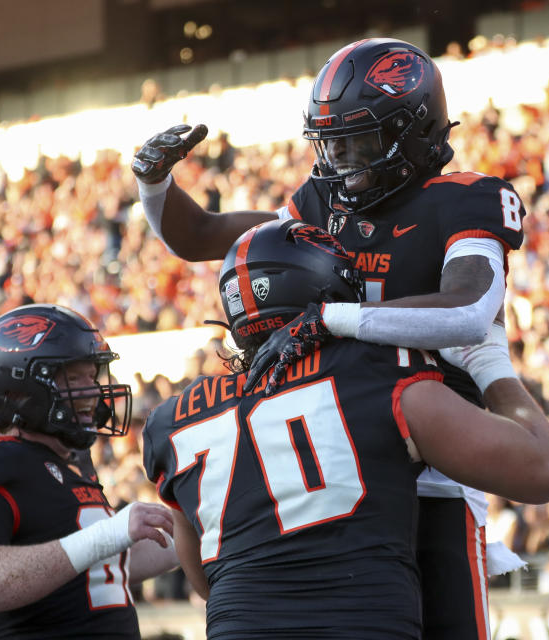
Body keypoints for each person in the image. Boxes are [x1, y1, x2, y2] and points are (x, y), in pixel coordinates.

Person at [133, 37, 529, 638]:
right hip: (344, 450)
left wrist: (334, 320)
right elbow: (206, 237)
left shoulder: (466, 198)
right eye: (331, 142)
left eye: (360, 140)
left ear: (415, 131)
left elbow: (470, 306)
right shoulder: (325, 202)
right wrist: (154, 187)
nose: (342, 159)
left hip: (433, 450)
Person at [141, 220, 549, 639]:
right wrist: (489, 363)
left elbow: (203, 581)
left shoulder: (172, 420)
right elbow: (543, 471)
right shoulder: (379, 373)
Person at [0, 304, 178, 639]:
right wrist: (109, 534)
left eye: (92, 376)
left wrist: (206, 530)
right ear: (18, 391)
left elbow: (105, 568)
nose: (92, 392)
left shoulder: (68, 468)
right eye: (74, 378)